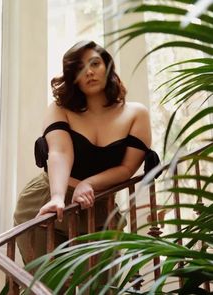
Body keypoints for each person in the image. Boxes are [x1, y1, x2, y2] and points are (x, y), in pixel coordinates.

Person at [14, 40, 161, 265]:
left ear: (108, 67)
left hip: (100, 209)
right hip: (46, 203)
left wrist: (88, 183)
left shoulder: (136, 113)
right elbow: (60, 152)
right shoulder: (59, 108)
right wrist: (57, 197)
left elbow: (127, 168)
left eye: (95, 63)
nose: (89, 72)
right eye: (79, 68)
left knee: (102, 286)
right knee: (48, 286)